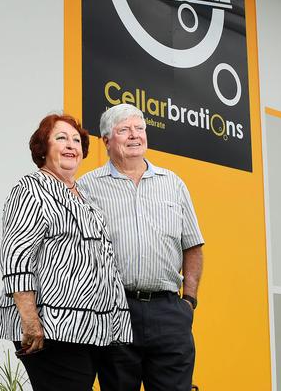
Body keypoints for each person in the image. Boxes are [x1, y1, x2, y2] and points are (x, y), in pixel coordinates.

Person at [0, 114, 132, 391]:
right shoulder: (31, 189)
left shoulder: (83, 197)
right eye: (61, 138)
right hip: (52, 329)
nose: (71, 145)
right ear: (43, 148)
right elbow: (16, 256)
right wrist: (30, 320)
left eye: (76, 140)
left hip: (89, 331)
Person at [79, 104, 204, 391]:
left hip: (169, 312)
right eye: (124, 130)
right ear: (107, 141)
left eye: (139, 128)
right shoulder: (87, 187)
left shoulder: (173, 184)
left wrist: (190, 301)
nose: (134, 135)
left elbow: (193, 246)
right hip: (115, 310)